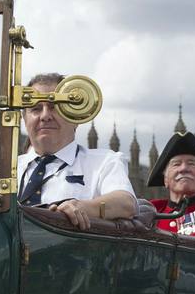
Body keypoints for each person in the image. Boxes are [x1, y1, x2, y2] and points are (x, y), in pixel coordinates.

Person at [16, 72, 138, 232]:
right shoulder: (7, 169)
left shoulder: (103, 162)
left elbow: (126, 203)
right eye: (36, 109)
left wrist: (84, 207)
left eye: (54, 107)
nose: (45, 116)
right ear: (25, 119)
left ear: (75, 117)